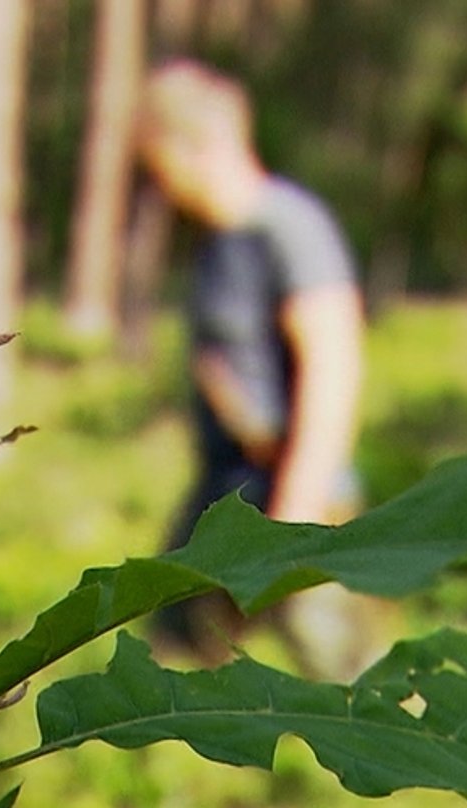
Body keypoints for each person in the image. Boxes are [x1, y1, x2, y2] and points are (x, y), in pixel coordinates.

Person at [135, 58, 367, 658]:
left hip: (293, 496)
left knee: (345, 681)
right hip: (227, 493)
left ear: (191, 147)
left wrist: (299, 511)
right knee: (172, 651)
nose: (156, 178)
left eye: (156, 155)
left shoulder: (288, 227)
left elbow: (333, 366)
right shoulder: (219, 244)